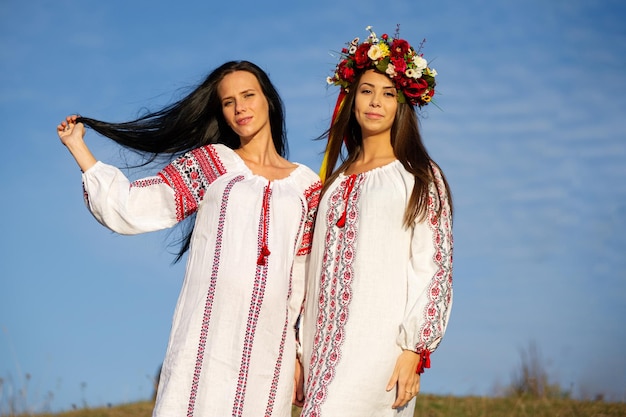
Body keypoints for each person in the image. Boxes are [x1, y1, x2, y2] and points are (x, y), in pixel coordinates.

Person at [56, 60, 321, 417]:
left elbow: (306, 280)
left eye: (248, 95)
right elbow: (134, 207)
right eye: (228, 102)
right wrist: (80, 150)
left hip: (270, 346)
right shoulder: (211, 164)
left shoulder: (308, 187)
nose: (240, 107)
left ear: (268, 100)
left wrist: (299, 352)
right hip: (207, 332)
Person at [299, 27, 453, 416]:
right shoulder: (331, 183)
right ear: (351, 99)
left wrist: (413, 350)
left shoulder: (418, 176)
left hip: (381, 351)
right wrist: (299, 349)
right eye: (367, 91)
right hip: (320, 345)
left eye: (388, 94)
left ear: (403, 104)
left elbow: (434, 267)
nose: (375, 102)